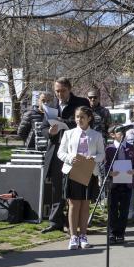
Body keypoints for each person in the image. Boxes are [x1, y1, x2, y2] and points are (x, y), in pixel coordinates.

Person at [40, 77, 90, 234]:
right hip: (56, 151)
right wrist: (49, 132)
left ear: (69, 89)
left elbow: (87, 123)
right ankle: (56, 221)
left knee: (74, 188)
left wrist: (64, 122)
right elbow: (42, 128)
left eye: (62, 91)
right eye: (57, 91)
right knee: (56, 187)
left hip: (76, 151)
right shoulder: (51, 106)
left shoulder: (81, 103)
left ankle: (73, 223)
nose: (59, 94)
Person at [56, 106, 105, 249]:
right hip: (72, 172)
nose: (79, 120)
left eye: (82, 117)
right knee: (73, 204)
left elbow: (102, 155)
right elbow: (61, 152)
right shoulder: (68, 134)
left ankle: (83, 235)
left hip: (89, 173)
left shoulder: (96, 135)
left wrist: (93, 158)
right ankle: (73, 236)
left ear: (89, 118)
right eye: (77, 117)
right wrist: (70, 158)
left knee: (85, 205)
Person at [105, 125, 134, 244]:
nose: (122, 133)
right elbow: (105, 165)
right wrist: (110, 172)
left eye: (123, 131)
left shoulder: (130, 148)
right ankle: (112, 233)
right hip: (113, 184)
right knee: (113, 209)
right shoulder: (109, 149)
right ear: (112, 135)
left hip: (126, 183)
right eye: (119, 132)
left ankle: (121, 233)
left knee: (124, 210)